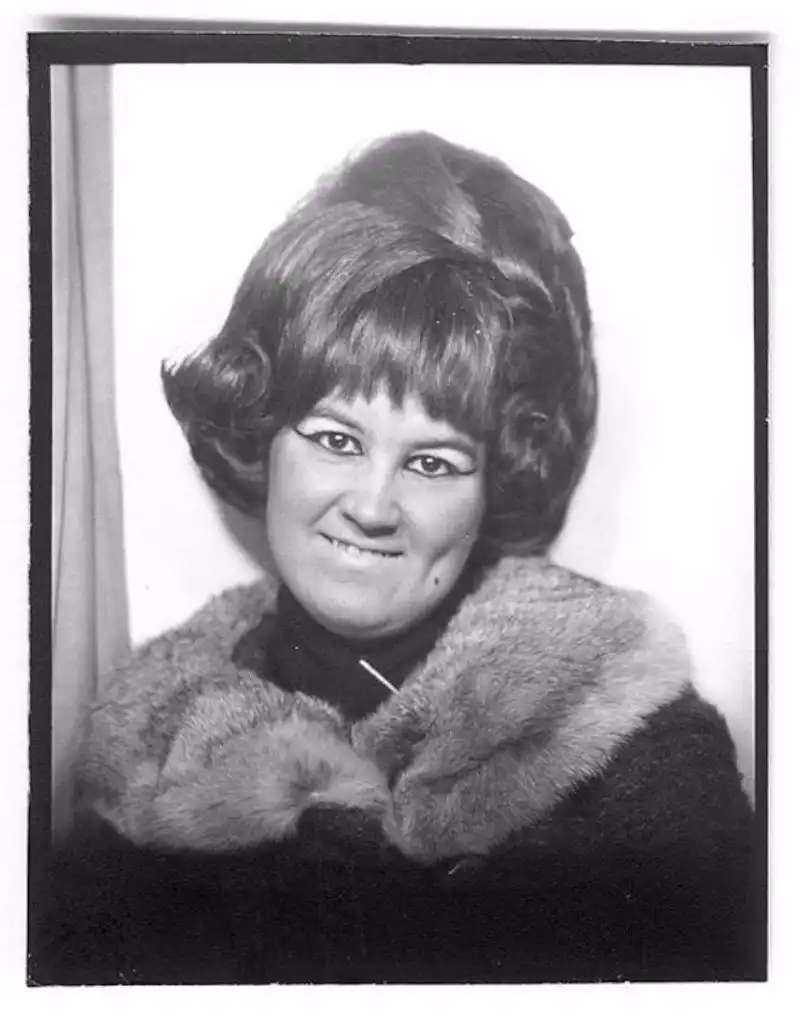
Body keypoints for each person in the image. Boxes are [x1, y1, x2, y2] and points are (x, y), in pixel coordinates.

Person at [34, 132, 757, 984]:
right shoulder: (141, 757)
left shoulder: (639, 750)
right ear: (266, 438)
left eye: (434, 462)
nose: (373, 506)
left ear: (495, 483)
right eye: (337, 438)